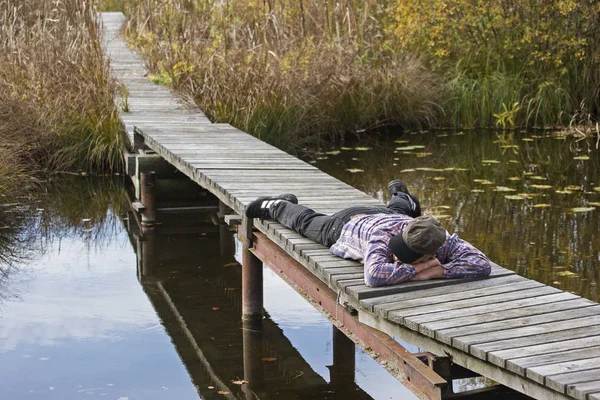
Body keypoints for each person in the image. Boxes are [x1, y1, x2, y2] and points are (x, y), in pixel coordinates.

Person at [245, 180, 492, 287]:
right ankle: (276, 204)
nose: (397, 255)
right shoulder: (382, 239)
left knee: (399, 210)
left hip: (394, 217)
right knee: (307, 223)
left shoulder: (444, 240)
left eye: (407, 256)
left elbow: (482, 264)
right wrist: (420, 272)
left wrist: (440, 270)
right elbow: (373, 276)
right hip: (348, 223)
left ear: (432, 251)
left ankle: (403, 197)